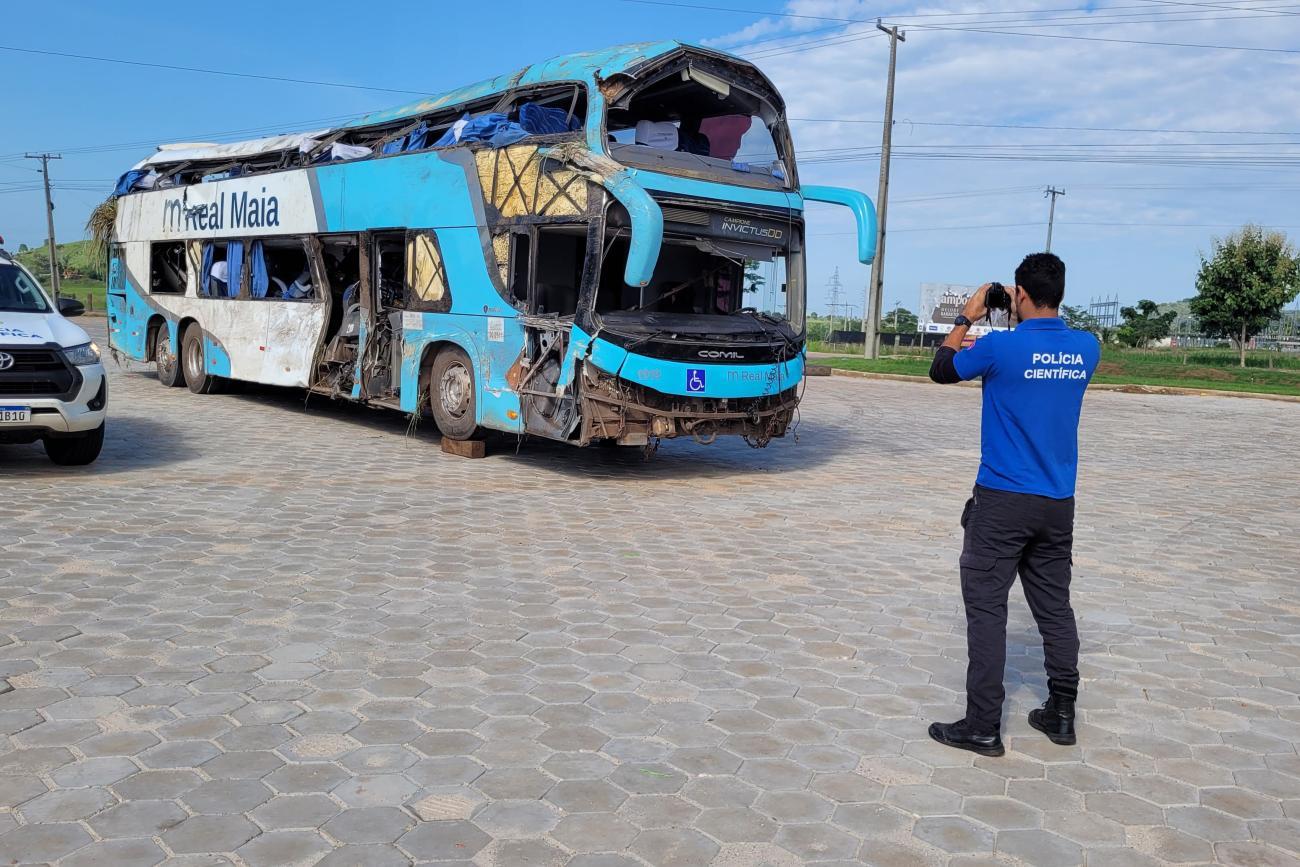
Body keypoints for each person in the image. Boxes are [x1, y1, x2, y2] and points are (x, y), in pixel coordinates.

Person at [926, 252, 1100, 757]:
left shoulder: (1000, 349)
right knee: (1054, 609)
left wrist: (968, 315)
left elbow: (941, 369)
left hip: (1002, 502)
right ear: (1060, 293)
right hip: (1057, 504)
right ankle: (1061, 714)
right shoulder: (1088, 349)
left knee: (986, 610)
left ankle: (982, 726)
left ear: (1018, 294)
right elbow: (1049, 353)